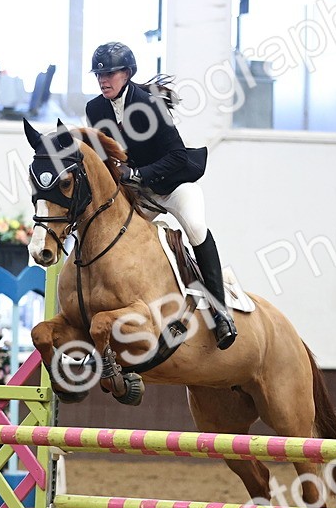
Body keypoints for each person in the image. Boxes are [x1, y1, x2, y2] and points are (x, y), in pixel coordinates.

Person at [84, 41, 237, 350]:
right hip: (137, 193)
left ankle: (220, 312)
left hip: (172, 185)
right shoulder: (95, 108)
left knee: (195, 227)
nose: (103, 80)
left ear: (127, 74)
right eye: (99, 75)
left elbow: (178, 156)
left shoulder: (148, 103)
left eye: (110, 74)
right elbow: (104, 155)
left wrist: (139, 175)